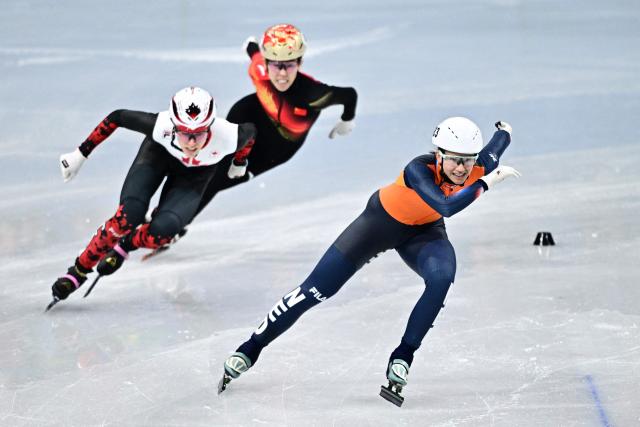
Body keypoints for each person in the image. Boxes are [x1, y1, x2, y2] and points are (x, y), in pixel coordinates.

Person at [218, 118, 521, 404]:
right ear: (439, 155)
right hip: (378, 224)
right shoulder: (419, 168)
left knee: (442, 277)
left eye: (467, 161)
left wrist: (503, 131)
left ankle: (403, 356)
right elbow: (446, 205)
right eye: (454, 159)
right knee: (316, 290)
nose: (461, 168)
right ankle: (250, 348)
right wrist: (487, 183)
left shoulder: (479, 166)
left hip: (425, 232)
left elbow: (495, 148)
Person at [156, 23, 358, 248]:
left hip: (275, 148)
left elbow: (349, 94)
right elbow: (254, 54)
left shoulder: (314, 94)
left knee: (214, 180)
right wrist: (251, 46)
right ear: (267, 62)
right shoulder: (261, 69)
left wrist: (347, 120)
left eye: (289, 66)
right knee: (196, 161)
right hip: (254, 117)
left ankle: (172, 227)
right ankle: (163, 212)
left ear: (300, 63)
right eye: (275, 65)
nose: (281, 74)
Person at [49, 86, 256, 303]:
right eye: (185, 133)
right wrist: (80, 154)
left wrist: (240, 161)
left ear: (211, 126)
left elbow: (251, 133)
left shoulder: (229, 136)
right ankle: (78, 270)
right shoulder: (161, 125)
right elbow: (116, 117)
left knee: (164, 231)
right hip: (157, 156)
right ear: (174, 126)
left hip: (194, 177)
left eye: (199, 133)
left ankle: (126, 245)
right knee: (129, 215)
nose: (192, 142)